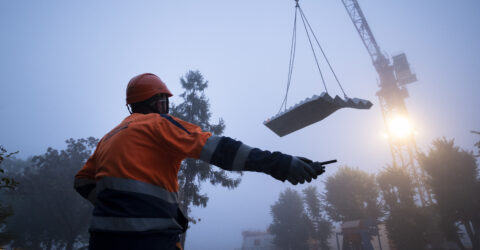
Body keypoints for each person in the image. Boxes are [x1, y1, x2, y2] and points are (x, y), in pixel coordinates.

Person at [74, 73, 327, 250]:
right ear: (157, 101)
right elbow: (220, 150)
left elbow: (82, 181)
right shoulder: (158, 124)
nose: (167, 107)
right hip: (151, 241)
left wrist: (119, 207)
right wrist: (279, 163)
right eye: (165, 101)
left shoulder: (108, 138)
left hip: (101, 241)